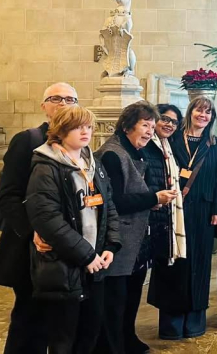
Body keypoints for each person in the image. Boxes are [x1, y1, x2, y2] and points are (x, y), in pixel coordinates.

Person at [25, 105, 120, 354]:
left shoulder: (93, 162)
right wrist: (86, 256)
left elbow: (108, 205)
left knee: (90, 331)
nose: (85, 131)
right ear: (61, 130)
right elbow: (47, 218)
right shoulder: (47, 166)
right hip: (64, 266)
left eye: (88, 126)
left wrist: (110, 245)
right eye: (78, 127)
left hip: (95, 264)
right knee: (62, 339)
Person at [0, 82, 78, 354]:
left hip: (63, 250)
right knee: (28, 322)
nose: (64, 103)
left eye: (70, 98)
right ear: (44, 106)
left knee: (57, 324)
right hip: (29, 250)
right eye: (56, 98)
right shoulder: (28, 140)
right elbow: (9, 195)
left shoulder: (77, 146)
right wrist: (34, 232)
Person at [94, 101, 177, 354]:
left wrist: (151, 201)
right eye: (145, 125)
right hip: (119, 241)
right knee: (115, 302)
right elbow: (115, 200)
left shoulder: (137, 151)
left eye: (152, 126)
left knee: (131, 298)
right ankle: (112, 346)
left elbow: (136, 190)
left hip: (138, 240)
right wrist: (154, 199)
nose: (150, 131)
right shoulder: (112, 153)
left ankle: (128, 338)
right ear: (128, 125)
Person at [148, 96, 217, 340]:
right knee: (174, 264)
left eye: (208, 112)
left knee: (200, 265)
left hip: (203, 211)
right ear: (190, 112)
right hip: (173, 210)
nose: (203, 115)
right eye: (199, 111)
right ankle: (171, 324)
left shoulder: (215, 145)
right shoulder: (171, 139)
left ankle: (194, 323)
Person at [144, 105, 187, 267]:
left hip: (165, 214)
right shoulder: (147, 144)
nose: (170, 125)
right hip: (151, 210)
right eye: (165, 119)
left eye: (174, 122)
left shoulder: (169, 146)